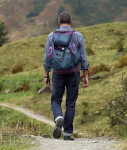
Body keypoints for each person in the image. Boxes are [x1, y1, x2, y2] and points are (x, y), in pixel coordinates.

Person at [43, 12, 89, 140]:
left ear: (59, 22)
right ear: (71, 22)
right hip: (73, 73)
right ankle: (68, 133)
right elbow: (83, 58)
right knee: (70, 103)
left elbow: (47, 57)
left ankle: (58, 117)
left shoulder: (51, 36)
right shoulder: (78, 36)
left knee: (56, 100)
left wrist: (46, 75)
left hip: (57, 73)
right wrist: (85, 75)